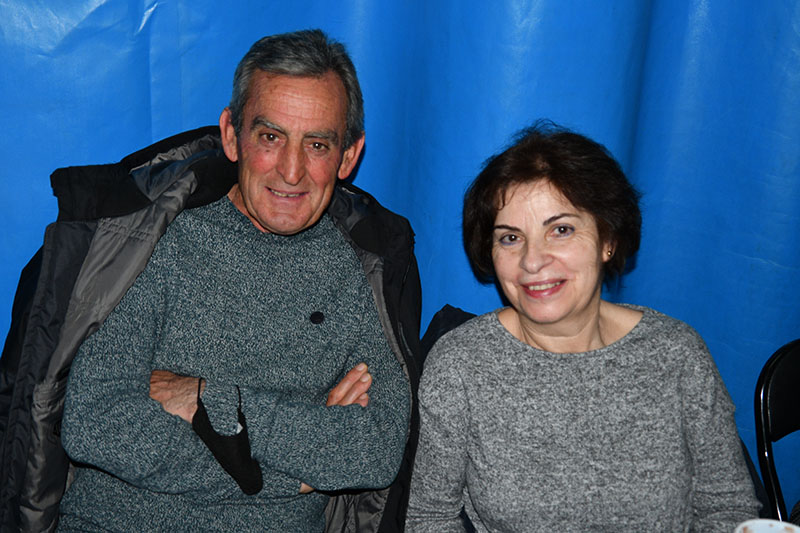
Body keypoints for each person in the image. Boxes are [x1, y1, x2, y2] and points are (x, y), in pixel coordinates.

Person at [0, 29, 421, 532]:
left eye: (316, 144)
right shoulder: (152, 237)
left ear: (349, 156)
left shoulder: (366, 266)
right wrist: (289, 473)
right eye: (270, 137)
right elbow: (97, 423)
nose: (291, 171)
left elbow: (374, 449)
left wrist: (210, 398)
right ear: (232, 136)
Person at [405, 121, 760, 532]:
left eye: (561, 230)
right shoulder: (461, 365)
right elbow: (427, 518)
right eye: (510, 238)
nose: (532, 261)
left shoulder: (676, 353)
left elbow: (729, 509)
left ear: (607, 240)